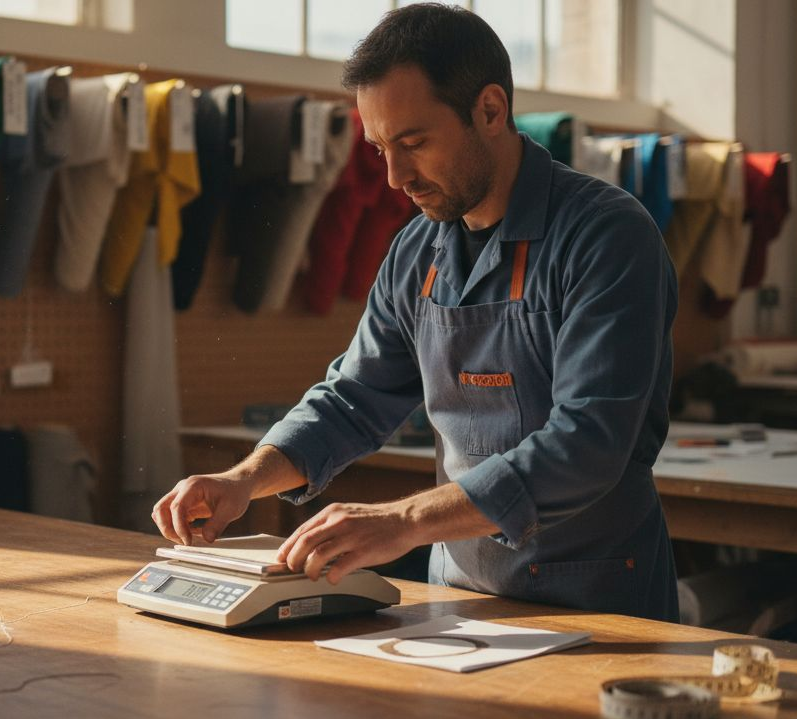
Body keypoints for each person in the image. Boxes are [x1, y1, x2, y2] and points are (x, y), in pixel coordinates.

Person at [152, 3, 679, 621]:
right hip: (458, 596)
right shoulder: (417, 249)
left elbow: (587, 443)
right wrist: (244, 480)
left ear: (489, 110)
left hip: (600, 607)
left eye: (413, 143)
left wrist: (403, 520)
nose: (396, 177)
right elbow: (352, 400)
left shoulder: (606, 235)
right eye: (379, 149)